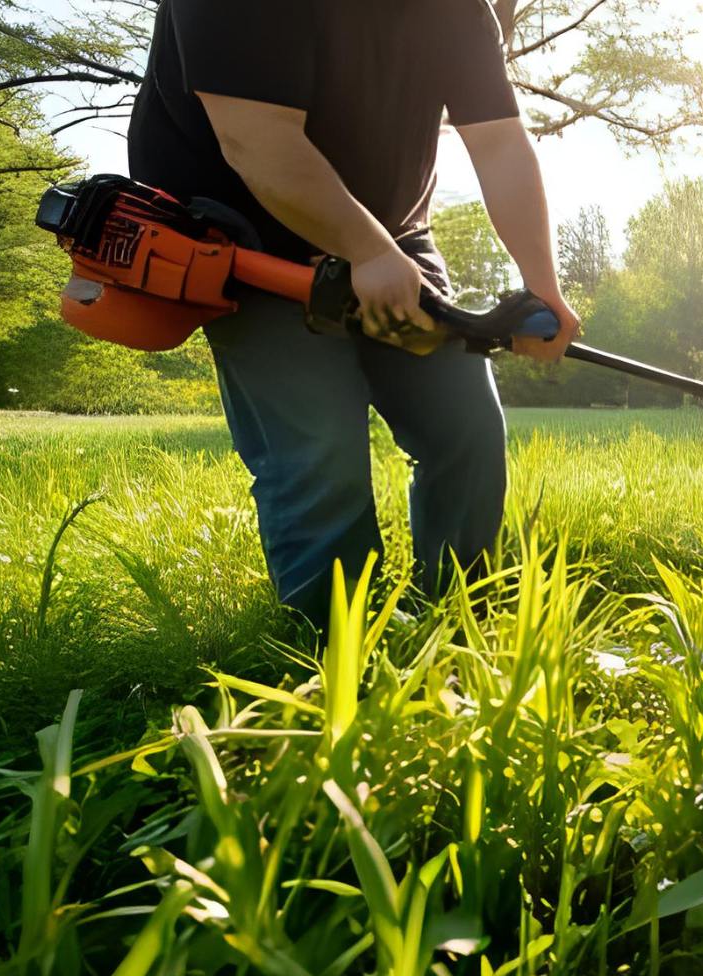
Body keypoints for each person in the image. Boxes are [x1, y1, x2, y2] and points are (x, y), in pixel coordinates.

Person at [126, 0, 581, 621]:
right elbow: (255, 140)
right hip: (248, 244)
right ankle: (342, 650)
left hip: (397, 238)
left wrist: (541, 287)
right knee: (319, 450)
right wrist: (364, 252)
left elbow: (500, 142)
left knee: (465, 427)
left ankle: (463, 619)